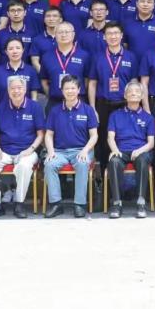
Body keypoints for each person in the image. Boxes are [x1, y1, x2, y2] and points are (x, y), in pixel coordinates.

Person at [0, 76, 46, 219]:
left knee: (24, 166)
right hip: (4, 151)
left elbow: (41, 134)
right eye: (13, 88)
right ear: (8, 90)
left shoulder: (34, 107)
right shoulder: (1, 108)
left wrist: (31, 149)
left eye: (19, 88)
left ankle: (19, 203)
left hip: (27, 151)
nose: (16, 91)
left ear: (25, 89)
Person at [43, 75, 98, 218]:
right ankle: (56, 204)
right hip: (59, 151)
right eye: (67, 88)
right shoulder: (55, 111)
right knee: (49, 164)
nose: (70, 91)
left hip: (81, 150)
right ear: (62, 91)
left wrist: (85, 151)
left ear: (79, 90)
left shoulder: (87, 110)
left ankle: (79, 204)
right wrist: (50, 152)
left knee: (82, 164)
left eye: (73, 88)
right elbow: (48, 135)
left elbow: (94, 136)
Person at [87, 22, 139, 166]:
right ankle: (104, 175)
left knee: (125, 138)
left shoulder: (131, 56)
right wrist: (92, 108)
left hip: (125, 104)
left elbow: (134, 81)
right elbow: (92, 83)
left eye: (116, 33)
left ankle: (123, 176)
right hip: (104, 105)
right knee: (104, 140)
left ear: (121, 35)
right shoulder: (98, 57)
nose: (113, 36)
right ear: (104, 36)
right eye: (109, 33)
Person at [106, 81, 155, 219]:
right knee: (114, 162)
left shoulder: (148, 117)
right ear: (125, 95)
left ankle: (141, 202)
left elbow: (151, 143)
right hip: (121, 150)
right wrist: (115, 150)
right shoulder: (115, 115)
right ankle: (117, 203)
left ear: (142, 96)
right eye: (130, 91)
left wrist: (140, 151)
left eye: (137, 91)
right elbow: (110, 137)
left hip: (141, 150)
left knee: (143, 160)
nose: (133, 93)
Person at [39, 23, 91, 104]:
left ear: (73, 35)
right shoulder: (47, 56)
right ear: (55, 35)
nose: (63, 35)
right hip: (55, 101)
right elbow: (44, 80)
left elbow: (87, 79)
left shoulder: (84, 55)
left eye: (67, 32)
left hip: (78, 101)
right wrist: (51, 94)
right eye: (60, 32)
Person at [0, 37, 40, 112]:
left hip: (26, 114)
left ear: (23, 50)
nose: (15, 51)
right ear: (6, 52)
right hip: (3, 114)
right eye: (11, 49)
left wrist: (32, 113)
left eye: (18, 48)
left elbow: (34, 96)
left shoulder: (31, 71)